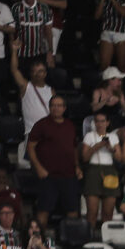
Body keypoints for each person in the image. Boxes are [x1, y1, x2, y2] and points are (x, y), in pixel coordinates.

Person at [27, 95, 82, 228]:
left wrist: (77, 166)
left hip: (68, 175)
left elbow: (74, 148)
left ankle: (72, 242)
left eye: (59, 105)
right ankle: (39, 242)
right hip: (48, 176)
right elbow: (30, 147)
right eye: (53, 105)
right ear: (49, 107)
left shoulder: (70, 125)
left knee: (72, 211)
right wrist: (38, 168)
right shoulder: (41, 125)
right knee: (43, 210)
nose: (56, 108)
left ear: (64, 108)